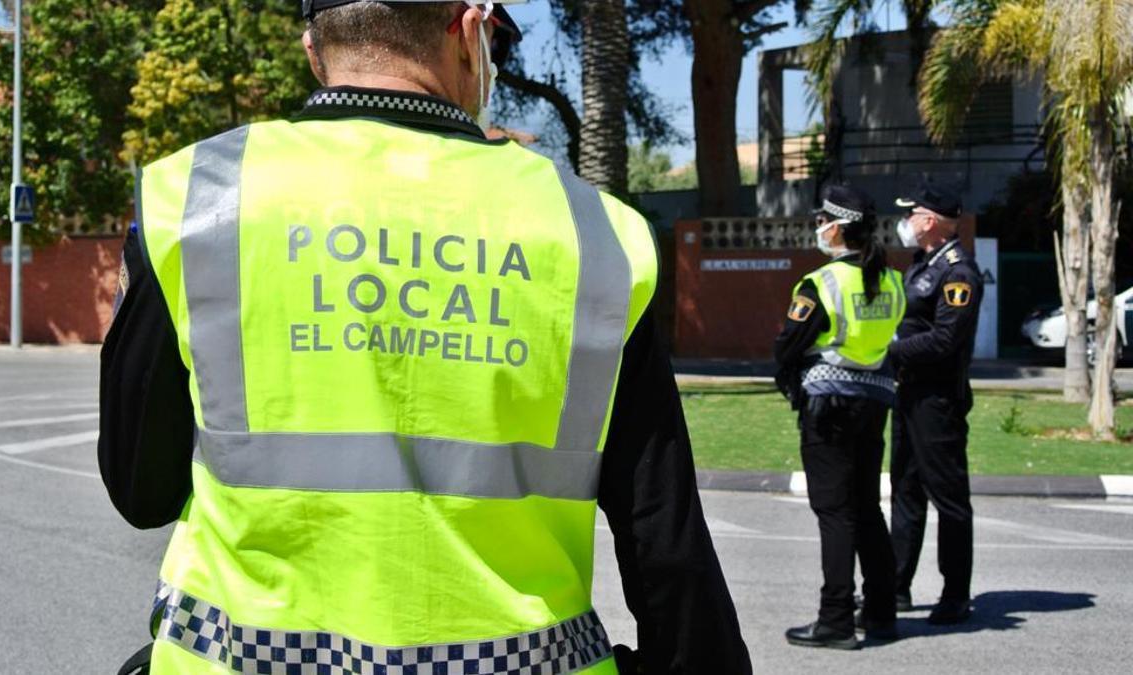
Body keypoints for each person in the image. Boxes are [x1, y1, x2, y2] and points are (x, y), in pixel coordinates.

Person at [97, 1, 752, 673]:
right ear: (470, 35)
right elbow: (667, 552)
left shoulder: (195, 196)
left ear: (313, 49)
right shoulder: (593, 234)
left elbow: (140, 490)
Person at [775, 185, 904, 650]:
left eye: (821, 221)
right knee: (866, 507)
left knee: (834, 513)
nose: (817, 229)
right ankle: (882, 613)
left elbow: (788, 344)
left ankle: (835, 620)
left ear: (838, 226)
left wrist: (788, 366)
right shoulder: (891, 280)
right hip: (875, 403)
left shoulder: (822, 282)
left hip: (828, 407)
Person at [889, 179, 982, 625]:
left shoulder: (958, 273)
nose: (906, 222)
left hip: (938, 401)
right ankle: (897, 586)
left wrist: (888, 350)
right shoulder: (923, 264)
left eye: (912, 215)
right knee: (905, 492)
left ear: (930, 221)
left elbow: (947, 339)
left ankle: (955, 593)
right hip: (908, 394)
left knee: (948, 498)